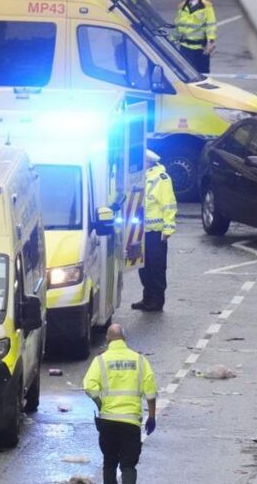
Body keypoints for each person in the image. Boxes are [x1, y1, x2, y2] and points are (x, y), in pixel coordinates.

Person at [83, 324, 157, 484]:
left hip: (107, 422)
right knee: (128, 465)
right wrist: (151, 416)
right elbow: (150, 392)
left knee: (109, 462)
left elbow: (89, 386)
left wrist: (100, 403)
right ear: (124, 338)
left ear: (107, 339)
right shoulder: (140, 360)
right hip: (130, 423)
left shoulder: (100, 360)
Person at [132, 149, 177, 312]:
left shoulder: (161, 178)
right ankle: (147, 298)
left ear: (148, 162)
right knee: (143, 267)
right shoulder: (140, 177)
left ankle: (157, 301)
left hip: (156, 233)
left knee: (156, 268)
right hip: (141, 231)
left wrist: (168, 228)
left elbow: (169, 204)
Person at [172, 0, 217, 74]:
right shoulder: (182, 6)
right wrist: (171, 40)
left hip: (200, 47)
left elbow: (211, 24)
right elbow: (178, 26)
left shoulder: (206, 6)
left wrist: (210, 41)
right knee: (186, 73)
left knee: (202, 73)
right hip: (185, 47)